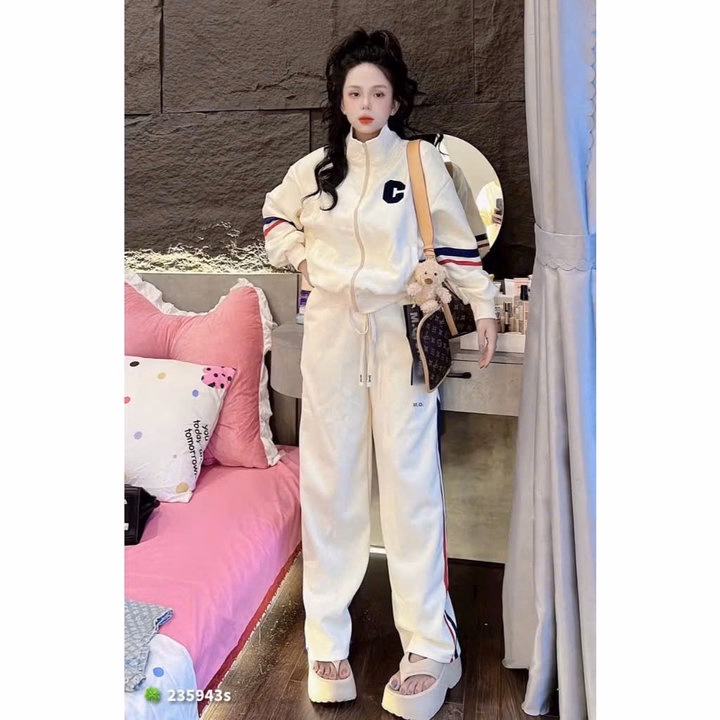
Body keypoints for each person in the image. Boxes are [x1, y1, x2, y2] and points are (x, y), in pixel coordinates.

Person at [262, 28, 497, 720]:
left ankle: (430, 647)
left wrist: (484, 306)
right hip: (332, 336)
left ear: (396, 100)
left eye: (378, 92)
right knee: (329, 484)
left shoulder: (420, 162)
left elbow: (457, 245)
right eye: (354, 92)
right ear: (340, 101)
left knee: (410, 486)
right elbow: (273, 220)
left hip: (400, 334)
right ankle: (326, 639)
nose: (365, 104)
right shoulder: (313, 171)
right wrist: (305, 259)